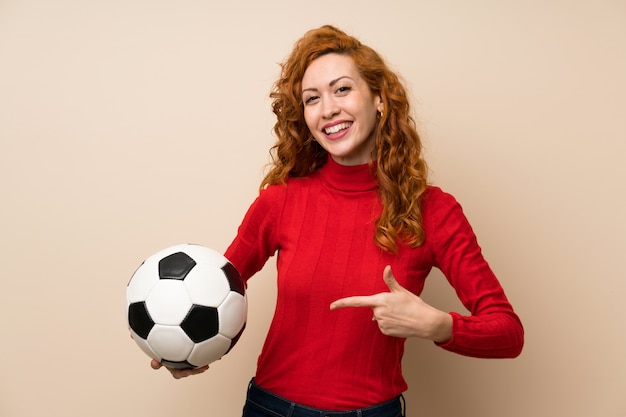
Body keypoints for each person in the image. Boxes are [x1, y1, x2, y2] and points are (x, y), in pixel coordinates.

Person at [151, 25, 524, 416]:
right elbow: (216, 290)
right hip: (272, 409)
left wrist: (437, 325)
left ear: (379, 100)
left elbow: (508, 333)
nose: (328, 108)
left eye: (342, 89)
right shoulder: (280, 200)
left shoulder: (433, 210)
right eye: (312, 99)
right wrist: (183, 344)